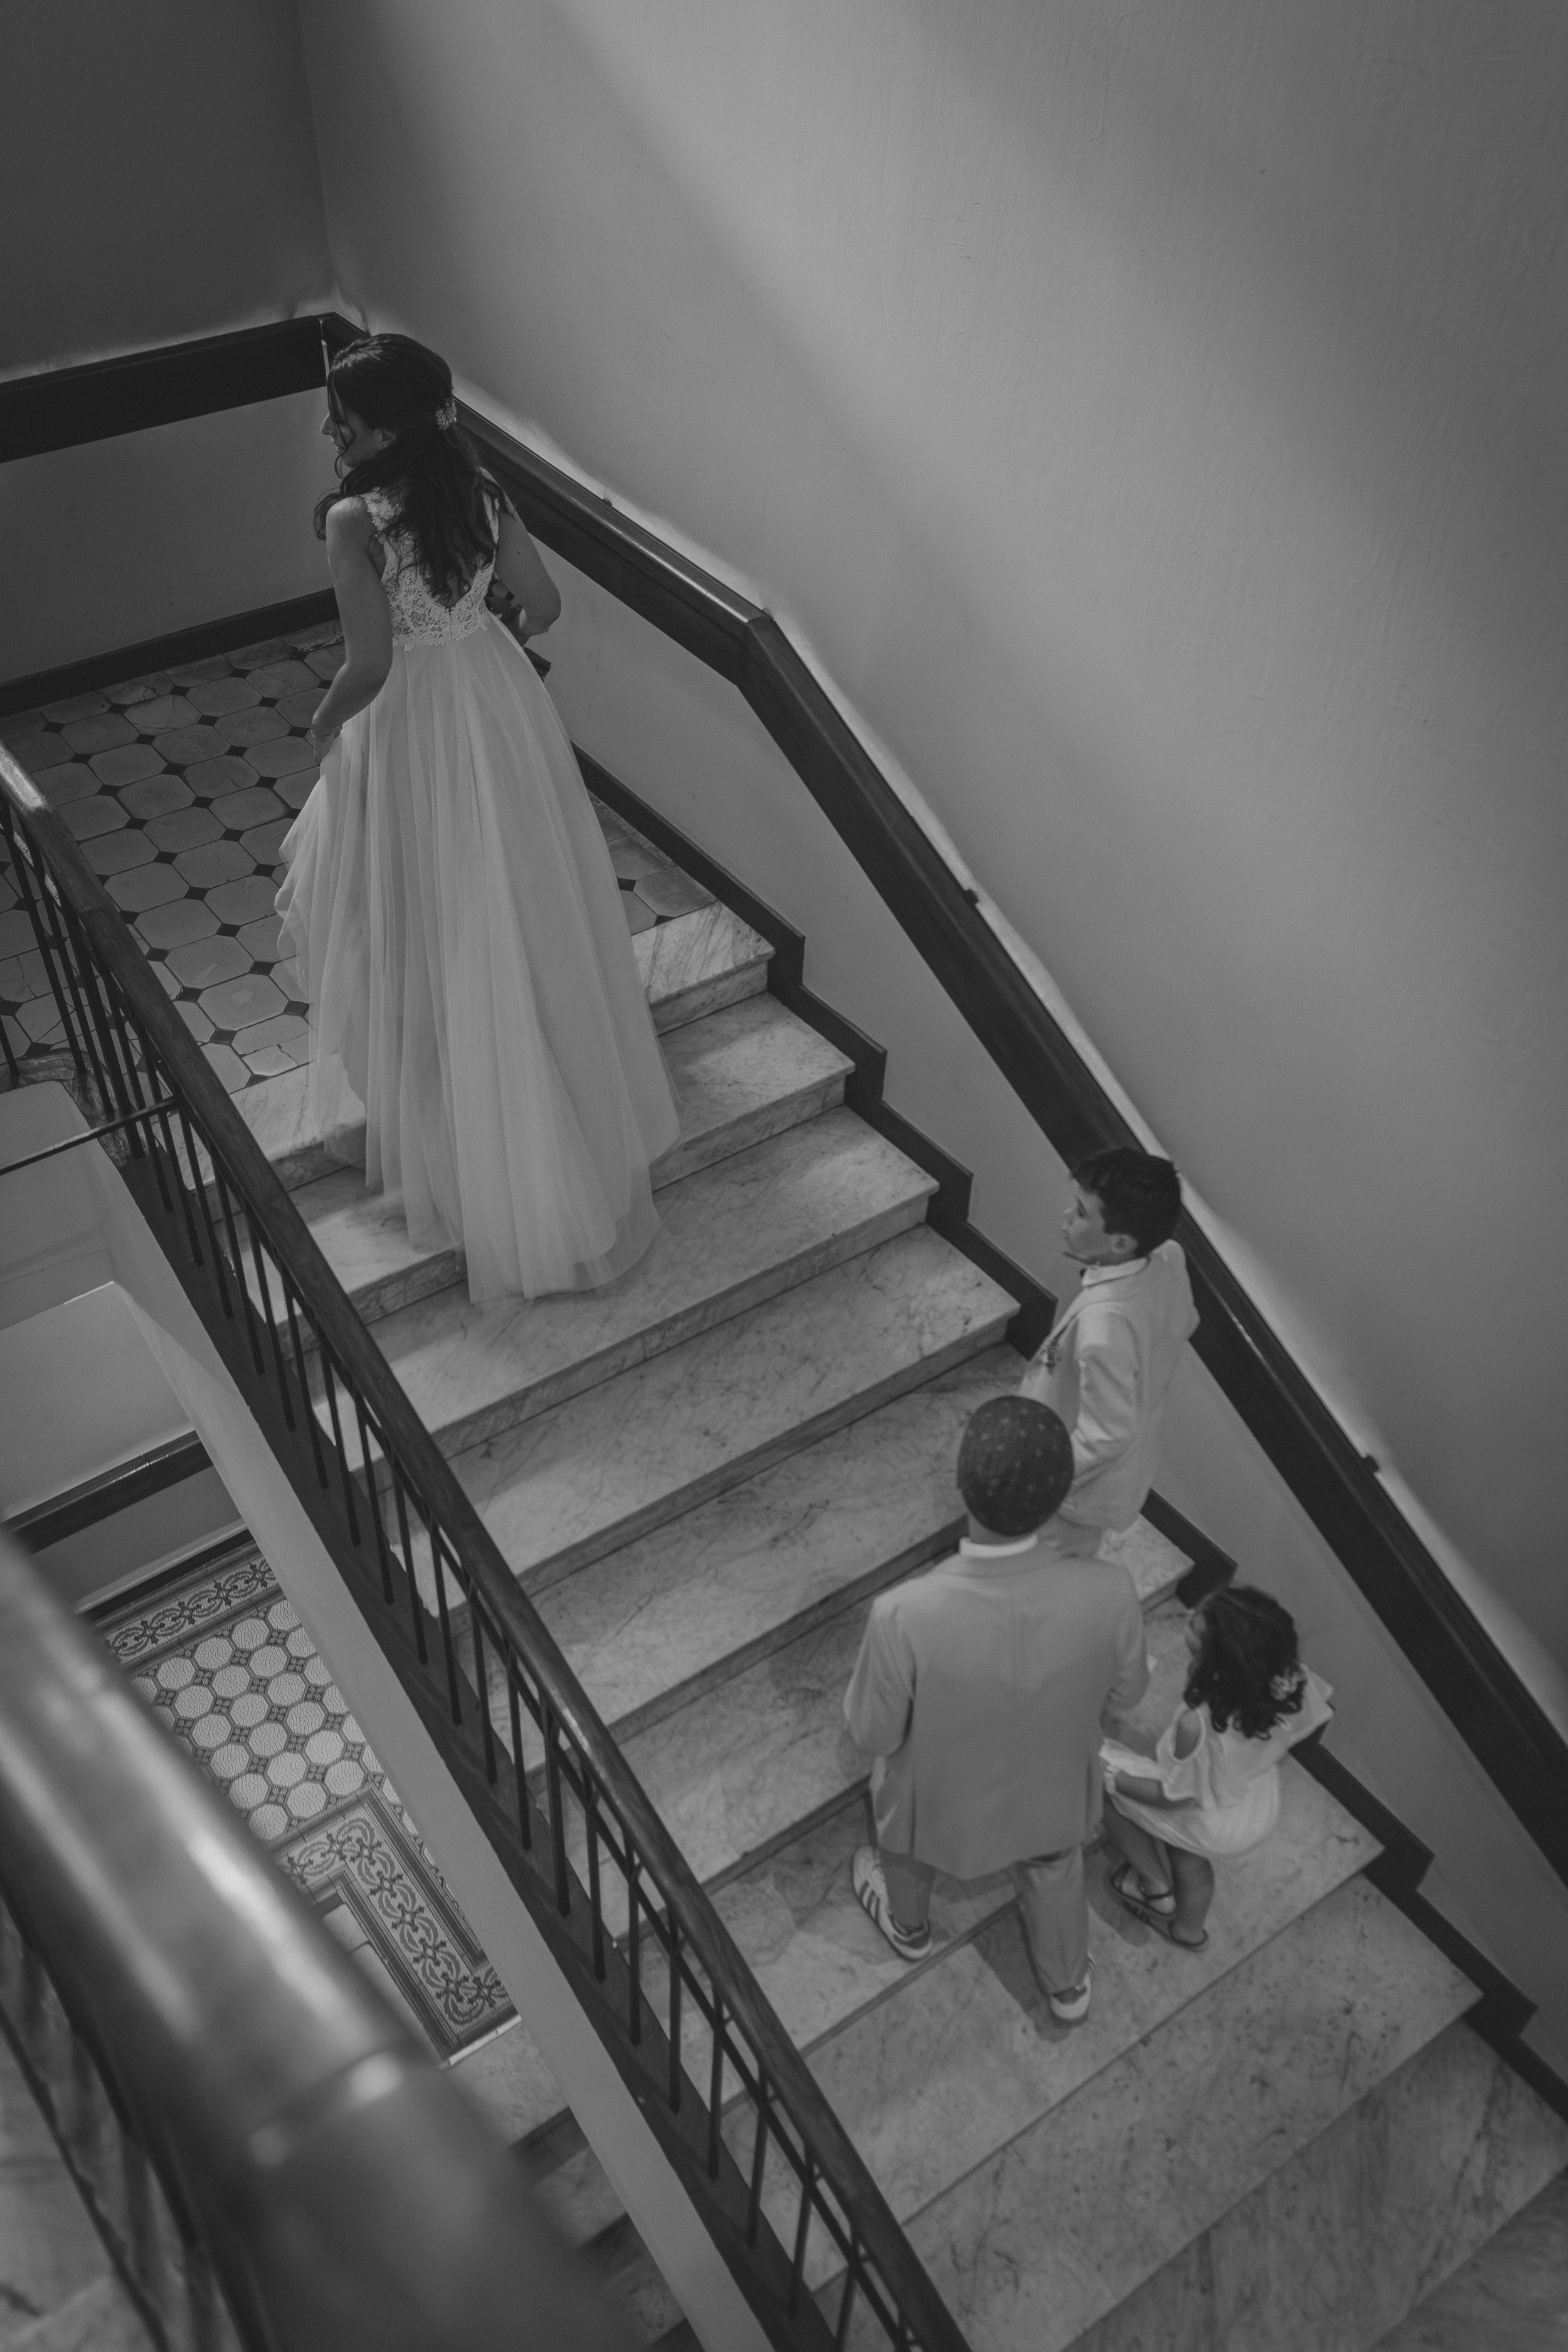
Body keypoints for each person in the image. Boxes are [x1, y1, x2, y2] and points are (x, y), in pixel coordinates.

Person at [275, 334, 679, 1303]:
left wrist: (321, 721)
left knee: (415, 909)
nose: (333, 430)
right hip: (495, 707)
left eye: (344, 416)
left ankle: (457, 1118)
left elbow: (368, 667)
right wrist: (480, 628)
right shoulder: (480, 490)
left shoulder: (354, 519)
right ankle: (537, 1088)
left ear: (381, 424)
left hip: (410, 719)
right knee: (513, 895)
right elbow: (543, 606)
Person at [844, 1395, 1149, 2025]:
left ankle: (908, 1925)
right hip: (1055, 1796)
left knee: (900, 1841)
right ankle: (1066, 1985)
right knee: (1055, 1864)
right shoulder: (1111, 1590)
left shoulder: (904, 1614)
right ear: (1061, 1493)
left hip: (942, 1808)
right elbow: (1126, 1696)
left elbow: (872, 1733)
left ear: (961, 1485)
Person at [1099, 1585, 1333, 1949]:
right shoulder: (1287, 1682)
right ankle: (1188, 1932)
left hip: (1212, 1817)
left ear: (1218, 1661)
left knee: (1099, 1788)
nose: (1188, 1617)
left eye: (1196, 1626)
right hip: (1252, 1803)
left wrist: (1115, 1779)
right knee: (1188, 1858)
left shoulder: (1198, 1727)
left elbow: (1173, 1798)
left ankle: (1154, 1885)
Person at [1018, 1147, 1197, 1555]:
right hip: (1127, 1456)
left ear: (1119, 1242)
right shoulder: (1169, 1256)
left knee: (1035, 1565)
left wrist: (1040, 1477)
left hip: (1076, 1495)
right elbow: (1186, 1320)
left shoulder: (1104, 1328)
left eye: (1081, 1213)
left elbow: (1107, 1436)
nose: (1066, 1217)